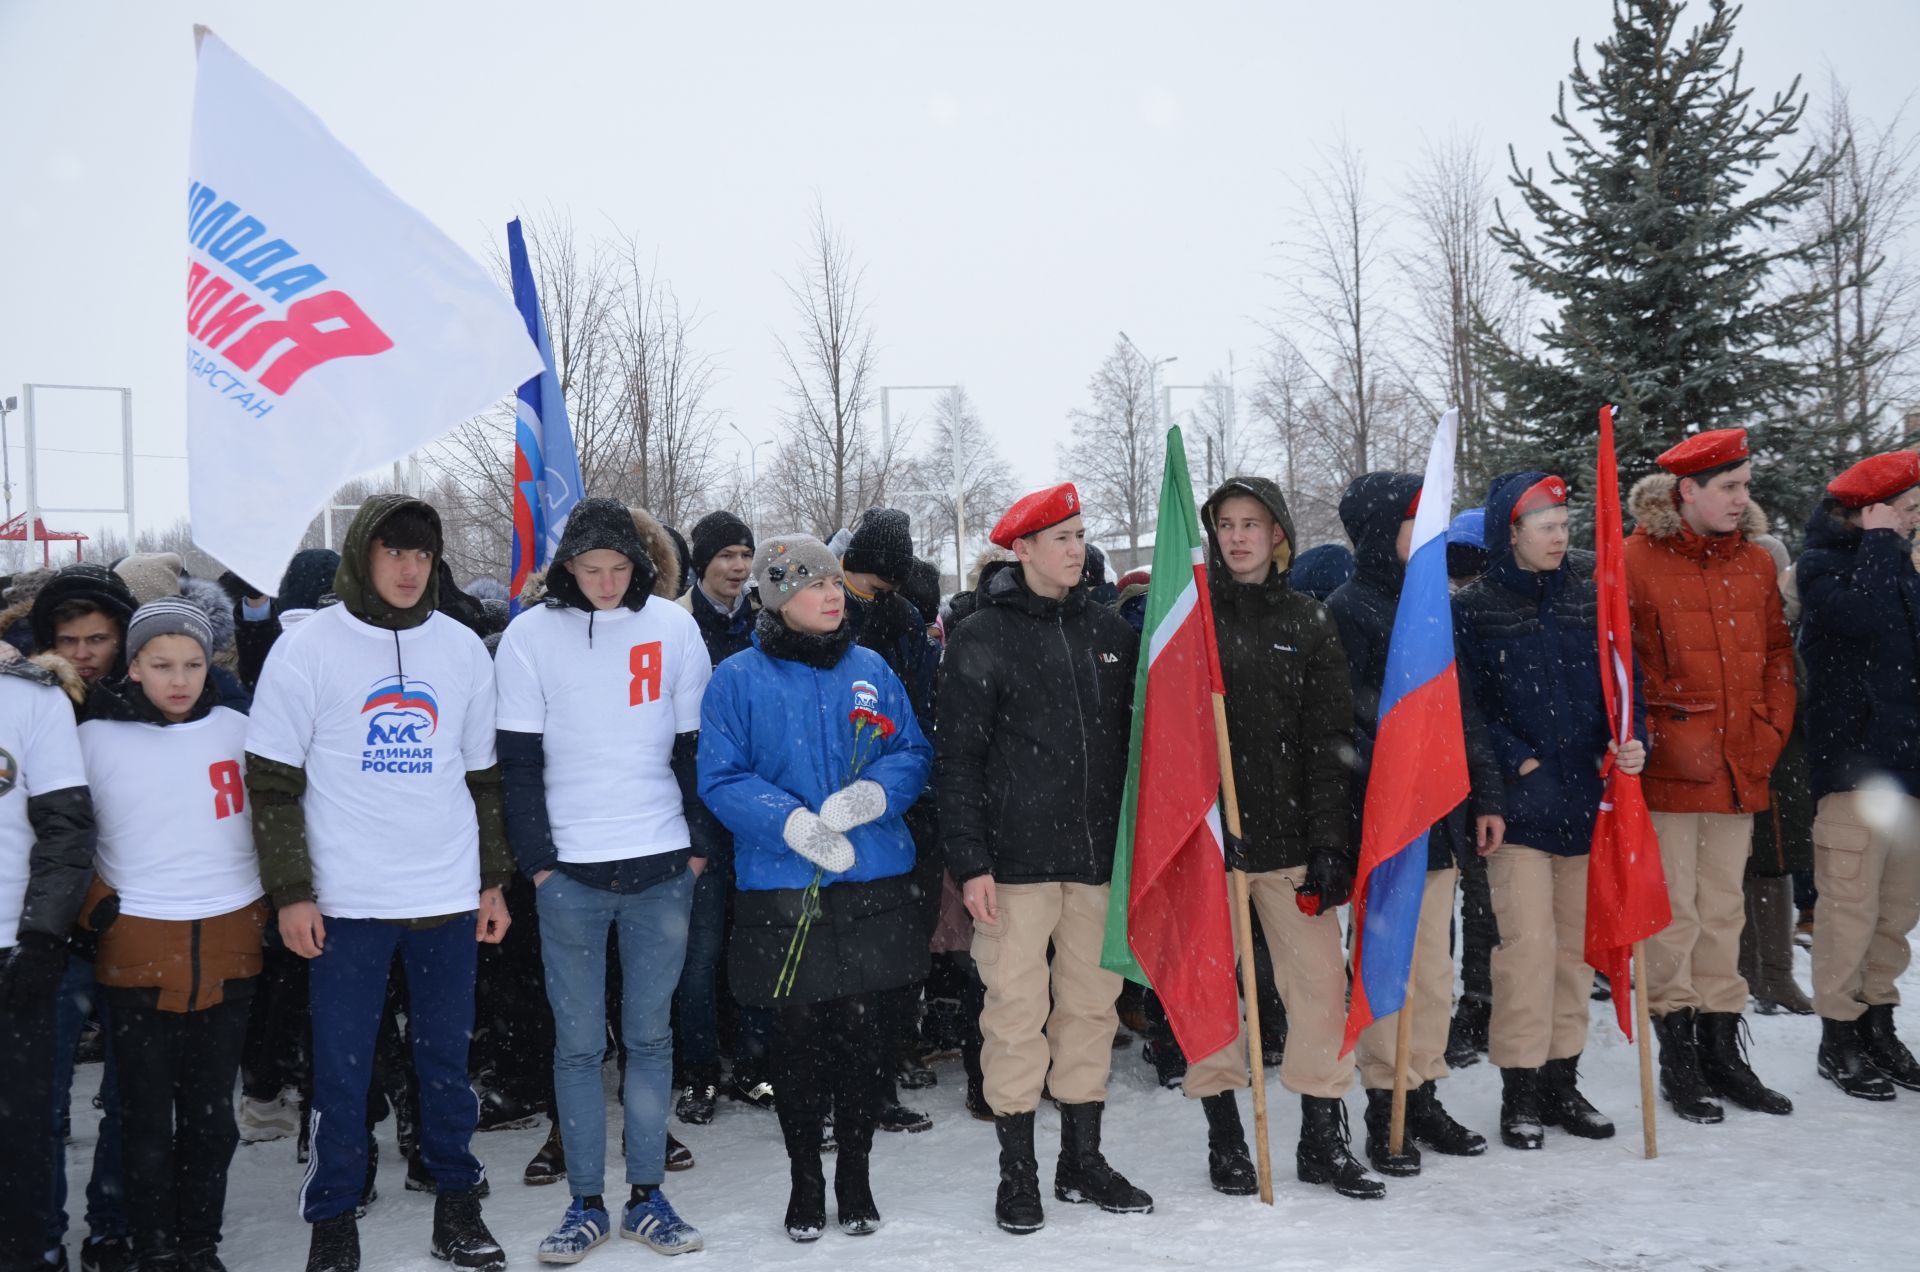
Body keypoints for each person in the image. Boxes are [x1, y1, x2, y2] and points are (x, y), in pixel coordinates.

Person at [243, 496, 512, 1272]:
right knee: (341, 1068)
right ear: (364, 554)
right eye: (393, 551)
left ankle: (457, 1206)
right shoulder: (310, 648)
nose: (407, 568)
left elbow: (484, 777)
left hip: (446, 895)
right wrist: (292, 891)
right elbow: (270, 782)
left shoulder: (461, 648)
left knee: (445, 1064)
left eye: (422, 555)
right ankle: (334, 1220)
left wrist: (491, 883)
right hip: (346, 902)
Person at [698, 534, 933, 1242]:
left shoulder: (871, 667)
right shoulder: (737, 677)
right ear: (776, 597)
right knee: (797, 1036)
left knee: (864, 1031)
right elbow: (721, 776)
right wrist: (792, 824)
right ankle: (806, 1177)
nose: (833, 594)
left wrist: (869, 798)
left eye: (834, 582)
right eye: (813, 585)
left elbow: (911, 751)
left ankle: (856, 1174)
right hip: (785, 880)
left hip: (869, 878)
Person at [495, 497, 710, 1262]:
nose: (607, 582)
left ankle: (647, 1196)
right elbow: (517, 763)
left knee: (651, 1038)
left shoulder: (675, 628)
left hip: (661, 866)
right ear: (568, 569)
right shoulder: (528, 636)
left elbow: (694, 746)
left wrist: (696, 847)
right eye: (592, 569)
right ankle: (584, 1201)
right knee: (580, 1044)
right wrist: (540, 865)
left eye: (621, 568)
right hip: (572, 878)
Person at [939, 484, 1153, 1235]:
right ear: (1021, 549)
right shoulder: (981, 636)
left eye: (1079, 535)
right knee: (1015, 1018)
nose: (1076, 549)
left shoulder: (1111, 634)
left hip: (1096, 864)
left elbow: (1140, 753)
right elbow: (957, 762)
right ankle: (1018, 1171)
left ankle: (1081, 1161)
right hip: (1013, 870)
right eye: (1059, 538)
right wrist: (970, 863)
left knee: (1091, 1014)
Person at [1176, 476, 1381, 1201]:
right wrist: (1195, 823)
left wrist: (1330, 844)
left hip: (1292, 844)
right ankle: (1226, 1135)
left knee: (1322, 991)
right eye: (1227, 524)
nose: (1238, 537)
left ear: (1278, 535)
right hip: (1213, 849)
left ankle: (1323, 1138)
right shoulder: (1189, 618)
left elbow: (1330, 740)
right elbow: (1168, 738)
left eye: (1252, 524)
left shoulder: (1311, 619)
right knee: (1210, 995)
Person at [1452, 471, 1645, 1150]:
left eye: (1565, 524)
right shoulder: (1474, 608)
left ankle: (1564, 1079)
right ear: (1512, 532)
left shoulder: (1590, 599)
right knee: (1526, 952)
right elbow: (1466, 707)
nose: (1561, 536)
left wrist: (1630, 739)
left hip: (1586, 806)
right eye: (1546, 526)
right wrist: (1515, 761)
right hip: (1518, 812)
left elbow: (1626, 680)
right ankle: (1521, 1091)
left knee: (1572, 955)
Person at [75, 599, 266, 1271]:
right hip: (134, 951)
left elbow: (282, 820)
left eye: (191, 664)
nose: (179, 680)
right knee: (144, 1121)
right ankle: (152, 1247)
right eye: (161, 665)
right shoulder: (93, 737)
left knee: (212, 1120)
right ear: (134, 667)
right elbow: (60, 833)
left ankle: (198, 1244)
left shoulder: (240, 729)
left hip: (229, 944)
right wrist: (92, 906)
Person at [1329, 472, 1500, 1177]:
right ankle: (1385, 1100)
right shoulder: (1347, 608)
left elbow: (1467, 711)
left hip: (1442, 817)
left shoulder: (1434, 603)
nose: (1426, 537)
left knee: (1433, 969)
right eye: (1412, 524)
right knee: (1385, 967)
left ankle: (1423, 1089)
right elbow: (1343, 716)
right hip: (1387, 819)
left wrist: (1482, 793)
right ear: (1379, 534)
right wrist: (1399, 752)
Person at [1624, 429, 1795, 1122]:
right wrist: (1662, 738)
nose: (1741, 498)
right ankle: (1681, 1054)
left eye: (1745, 486)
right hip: (1669, 772)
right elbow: (1623, 669)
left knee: (1725, 911)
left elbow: (1779, 658)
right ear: (1686, 491)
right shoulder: (1634, 561)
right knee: (1675, 917)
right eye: (1728, 487)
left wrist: (1766, 732)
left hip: (1737, 768)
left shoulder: (1754, 564)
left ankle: (1725, 1048)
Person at [1796, 451, 1920, 1100]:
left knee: (1894, 916)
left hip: (1907, 774)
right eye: (1906, 508)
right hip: (1852, 773)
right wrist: (1878, 545)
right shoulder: (1821, 569)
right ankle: (1838, 1037)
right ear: (1871, 512)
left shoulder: (1900, 570)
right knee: (1849, 913)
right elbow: (1862, 624)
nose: (1915, 519)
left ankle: (1878, 1025)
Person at [31, 564, 136, 1270]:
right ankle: (37, 1233)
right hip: (48, 925)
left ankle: (115, 1224)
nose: (83, 653)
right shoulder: (27, 702)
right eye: (67, 639)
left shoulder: (163, 695)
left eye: (98, 637)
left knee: (132, 1091)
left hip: (135, 916)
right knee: (39, 1098)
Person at [840, 508, 942, 1132]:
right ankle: (837, 1090)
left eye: (885, 589)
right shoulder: (825, 609)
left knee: (897, 959)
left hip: (904, 807)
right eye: (869, 586)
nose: (874, 599)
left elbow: (923, 711)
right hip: (835, 809)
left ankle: (881, 1082)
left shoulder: (904, 620)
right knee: (841, 967)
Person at [673, 510, 777, 1122]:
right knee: (700, 955)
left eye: (745, 554)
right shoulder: (677, 625)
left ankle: (757, 1066)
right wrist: (693, 824)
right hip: (699, 816)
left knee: (757, 948)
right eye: (726, 555)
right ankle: (700, 1073)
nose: (738, 567)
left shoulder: (765, 625)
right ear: (701, 561)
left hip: (758, 816)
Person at [0, 652, 98, 1272]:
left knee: (22, 1129)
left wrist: (41, 935)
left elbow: (66, 829)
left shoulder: (32, 699)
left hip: (16, 946)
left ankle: (28, 1253)